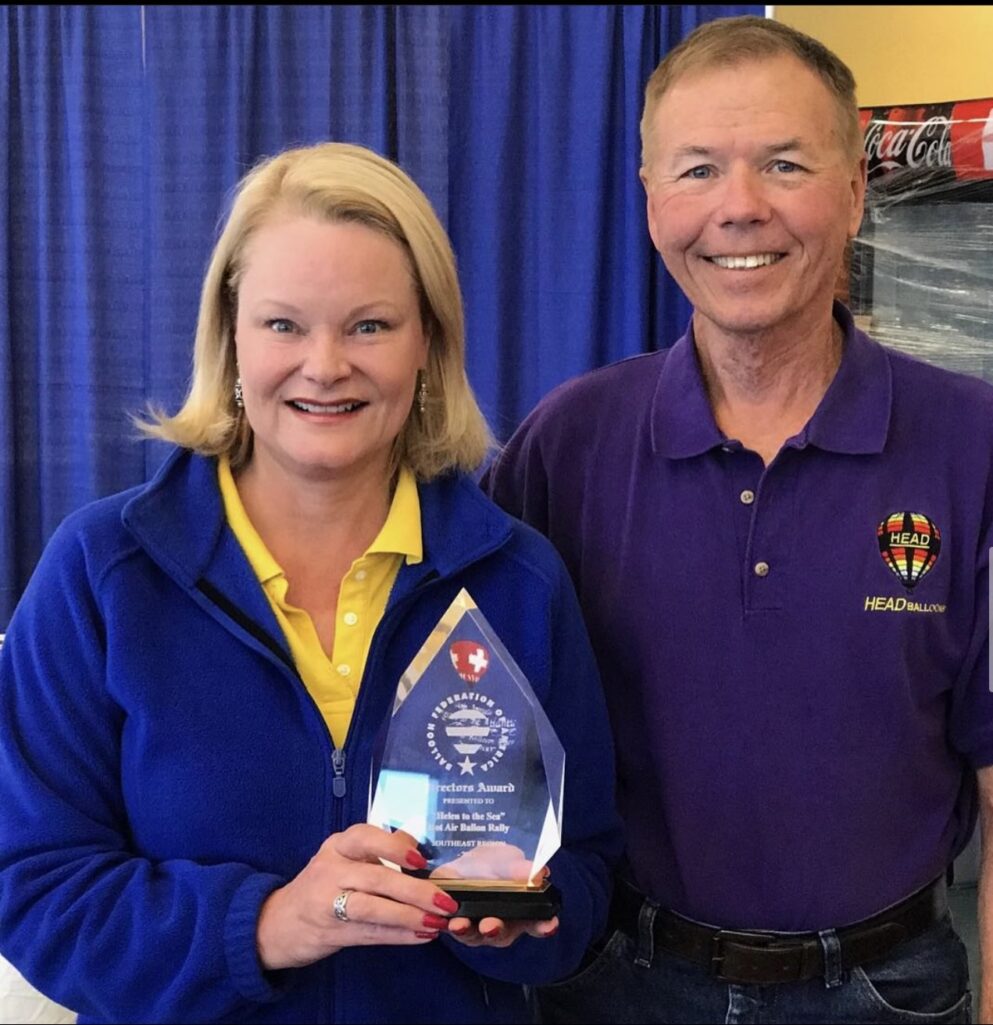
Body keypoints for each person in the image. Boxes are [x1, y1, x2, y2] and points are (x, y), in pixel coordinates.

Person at [0, 142, 622, 1024]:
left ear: (428, 342)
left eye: (369, 326)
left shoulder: (518, 580)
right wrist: (266, 924)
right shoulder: (102, 575)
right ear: (230, 337)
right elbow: (31, 887)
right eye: (283, 325)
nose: (325, 365)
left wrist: (524, 920)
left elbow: (588, 869)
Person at [484, 15, 993, 1025]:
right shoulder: (564, 446)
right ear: (651, 201)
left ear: (855, 190)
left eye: (785, 164)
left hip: (888, 991)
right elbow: (475, 728)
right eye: (699, 170)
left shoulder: (972, 445)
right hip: (617, 986)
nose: (740, 207)